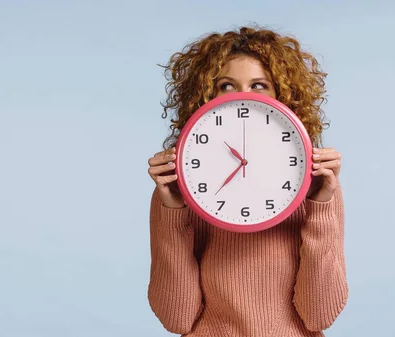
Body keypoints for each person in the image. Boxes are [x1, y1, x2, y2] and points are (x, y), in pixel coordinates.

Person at [147, 26, 348, 337]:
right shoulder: (181, 186)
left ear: (284, 95)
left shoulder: (317, 185)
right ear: (205, 96)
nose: (243, 97)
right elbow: (177, 319)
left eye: (259, 85)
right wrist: (172, 210)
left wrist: (320, 207)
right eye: (227, 85)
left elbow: (318, 315)